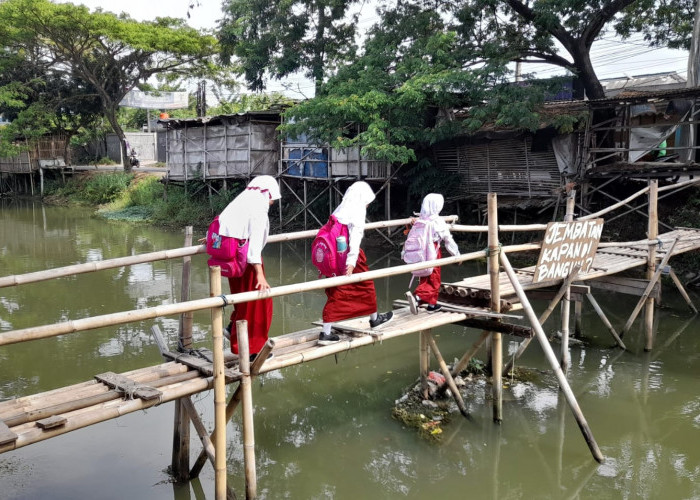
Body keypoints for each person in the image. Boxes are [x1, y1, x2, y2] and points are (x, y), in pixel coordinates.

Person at [318, 181, 393, 345]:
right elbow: (356, 238)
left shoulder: (340, 210)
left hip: (336, 257)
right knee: (361, 287)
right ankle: (326, 333)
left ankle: (373, 318)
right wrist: (351, 262)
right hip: (350, 258)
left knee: (338, 289)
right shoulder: (357, 211)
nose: (367, 205)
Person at [218, 175, 280, 360]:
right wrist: (259, 273)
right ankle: (253, 350)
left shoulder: (240, 202)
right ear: (266, 193)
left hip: (231, 258)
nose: (271, 203)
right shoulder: (258, 207)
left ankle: (232, 328)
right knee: (259, 304)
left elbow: (219, 226)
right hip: (247, 262)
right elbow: (253, 247)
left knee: (241, 299)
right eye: (272, 199)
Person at [405, 193, 460, 314]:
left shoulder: (420, 220)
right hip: (432, 251)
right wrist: (456, 254)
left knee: (425, 276)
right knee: (434, 278)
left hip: (420, 253)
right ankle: (417, 298)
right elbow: (448, 240)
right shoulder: (438, 221)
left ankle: (431, 304)